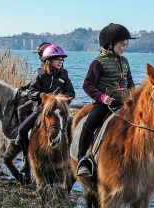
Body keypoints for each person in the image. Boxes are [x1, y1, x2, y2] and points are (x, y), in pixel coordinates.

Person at [76, 23, 136, 177]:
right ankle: (82, 160)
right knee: (89, 123)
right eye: (122, 45)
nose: (124, 48)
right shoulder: (98, 62)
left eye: (126, 45)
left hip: (125, 103)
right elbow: (87, 85)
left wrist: (133, 95)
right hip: (104, 104)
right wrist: (102, 97)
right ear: (110, 44)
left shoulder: (125, 62)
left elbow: (130, 82)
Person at [15, 44, 75, 177]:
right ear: (49, 61)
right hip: (43, 109)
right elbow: (31, 91)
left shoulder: (64, 74)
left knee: (72, 129)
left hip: (59, 110)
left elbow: (71, 92)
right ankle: (26, 159)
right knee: (22, 129)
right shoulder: (40, 73)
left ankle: (71, 160)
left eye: (61, 59)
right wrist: (43, 96)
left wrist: (59, 98)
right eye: (57, 59)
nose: (60, 62)